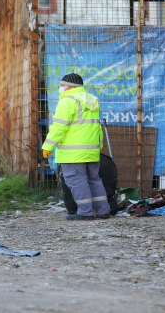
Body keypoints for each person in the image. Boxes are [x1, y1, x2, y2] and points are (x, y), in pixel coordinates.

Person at [42, 73, 110, 221]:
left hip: (73, 152)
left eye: (62, 85)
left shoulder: (67, 101)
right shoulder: (93, 100)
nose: (60, 88)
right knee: (94, 180)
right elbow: (97, 128)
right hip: (91, 150)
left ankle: (85, 212)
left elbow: (59, 127)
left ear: (71, 86)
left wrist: (48, 146)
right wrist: (99, 146)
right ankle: (103, 210)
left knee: (77, 181)